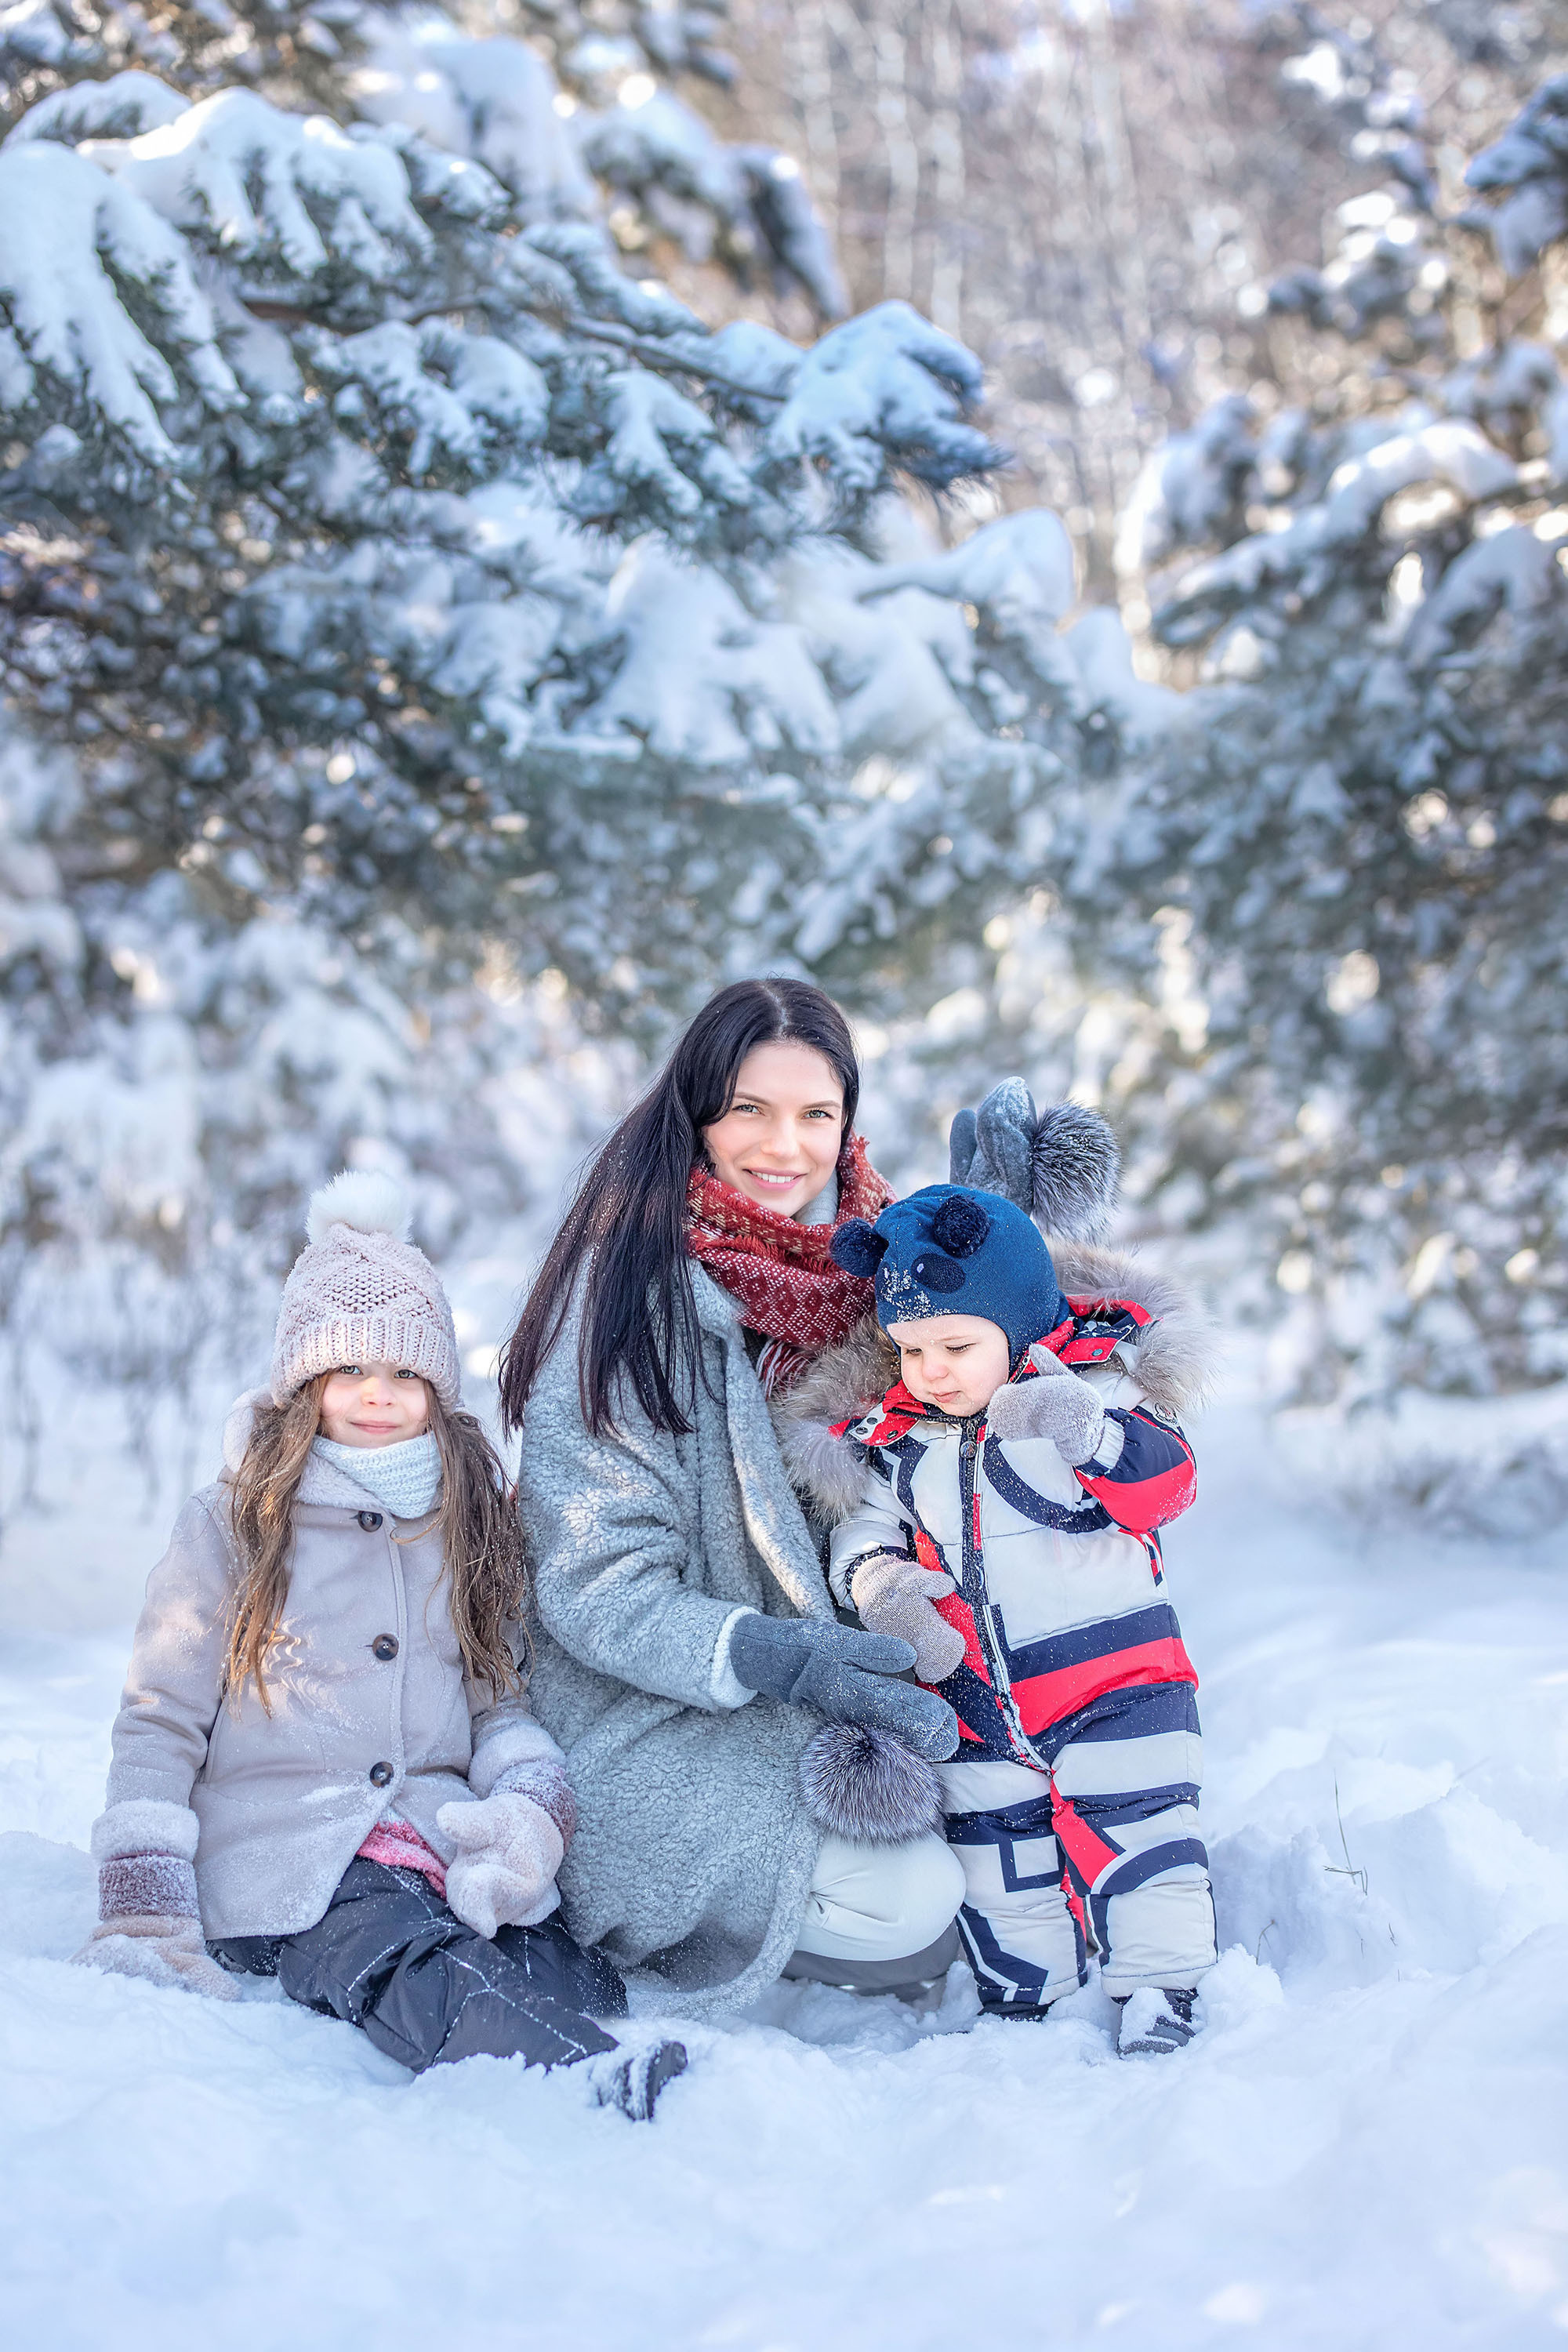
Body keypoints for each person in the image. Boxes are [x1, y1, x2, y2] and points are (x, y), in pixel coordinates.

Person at [74, 1171, 686, 2119]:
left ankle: (573, 2021)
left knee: (561, 1963)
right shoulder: (236, 1522)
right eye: (348, 1371)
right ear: (303, 1379)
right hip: (295, 1851)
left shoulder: (463, 1517)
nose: (376, 1395)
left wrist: (528, 1804)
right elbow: (160, 1715)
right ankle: (578, 2079)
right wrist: (146, 1898)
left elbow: (494, 1697)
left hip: (430, 1832)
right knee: (405, 1954)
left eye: (405, 1373)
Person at [500, 978, 966, 2018]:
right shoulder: (626, 1296)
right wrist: (768, 1653)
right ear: (697, 1114)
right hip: (646, 1715)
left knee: (1018, 1844)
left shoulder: (884, 1276)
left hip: (842, 1684)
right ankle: (747, 1921)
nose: (783, 1147)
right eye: (748, 1110)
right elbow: (597, 1585)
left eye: (815, 1114)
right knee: (917, 1902)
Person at [779, 1082, 1220, 2055]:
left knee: (1139, 1828)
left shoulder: (1089, 1392)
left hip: (1117, 1683)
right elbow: (866, 1530)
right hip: (977, 1695)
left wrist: (1089, 1432)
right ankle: (1028, 1997)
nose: (928, 1369)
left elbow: (1164, 1486)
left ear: (1016, 1325)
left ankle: (1160, 1986)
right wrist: (881, 1587)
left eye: (954, 1345)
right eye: (907, 1349)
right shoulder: (899, 1442)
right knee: (998, 1859)